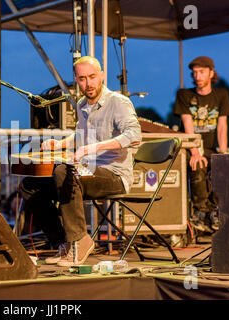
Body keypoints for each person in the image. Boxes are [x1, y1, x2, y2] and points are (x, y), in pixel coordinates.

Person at [19, 56, 142, 267]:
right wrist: (58, 144)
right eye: (82, 79)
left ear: (102, 75)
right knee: (30, 185)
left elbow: (134, 135)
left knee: (64, 173)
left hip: (114, 175)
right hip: (86, 172)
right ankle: (63, 244)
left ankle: (80, 240)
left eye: (93, 77)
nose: (88, 84)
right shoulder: (82, 104)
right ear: (76, 79)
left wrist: (93, 147)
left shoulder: (118, 102)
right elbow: (81, 136)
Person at [174, 56, 229, 233]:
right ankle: (200, 212)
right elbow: (187, 124)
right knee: (197, 166)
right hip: (192, 147)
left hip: (212, 148)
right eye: (195, 73)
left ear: (211, 73)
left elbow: (222, 126)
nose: (198, 76)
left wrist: (222, 152)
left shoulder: (221, 95)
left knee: (221, 168)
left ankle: (215, 212)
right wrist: (195, 151)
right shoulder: (184, 95)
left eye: (202, 72)